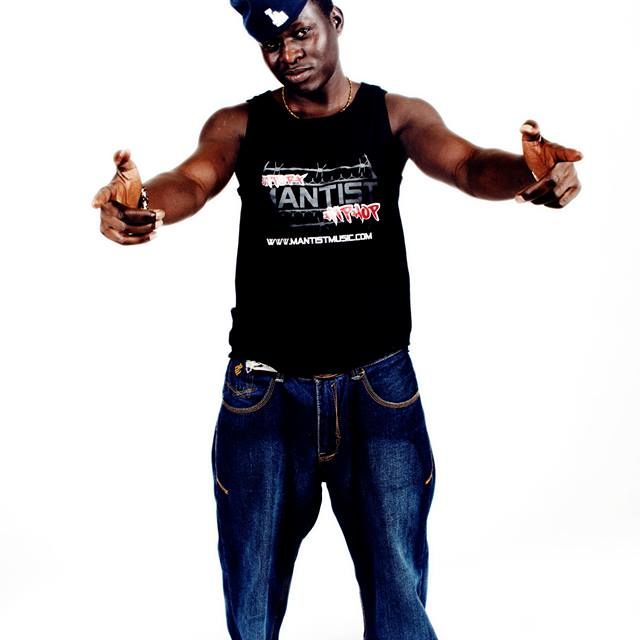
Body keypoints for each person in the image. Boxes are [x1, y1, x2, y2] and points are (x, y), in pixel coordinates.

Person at [91, 1, 582, 638]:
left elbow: (466, 164)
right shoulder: (241, 124)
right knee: (251, 597)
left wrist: (526, 173)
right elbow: (193, 177)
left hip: (378, 390)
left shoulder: (396, 115)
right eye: (272, 43)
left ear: (336, 20)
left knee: (398, 596)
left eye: (301, 32)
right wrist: (145, 202)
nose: (289, 53)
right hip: (265, 394)